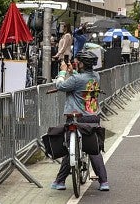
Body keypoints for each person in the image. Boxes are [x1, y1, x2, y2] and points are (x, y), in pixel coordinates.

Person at [51, 50, 109, 191]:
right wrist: (74, 72)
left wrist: (63, 72)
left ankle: (60, 181)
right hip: (93, 117)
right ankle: (103, 182)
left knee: (69, 148)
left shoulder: (76, 80)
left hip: (76, 117)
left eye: (78, 62)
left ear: (82, 63)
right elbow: (82, 81)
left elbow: (61, 85)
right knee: (94, 150)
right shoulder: (96, 76)